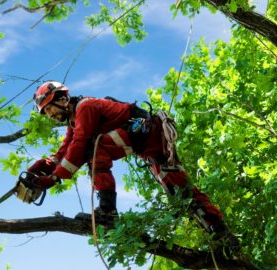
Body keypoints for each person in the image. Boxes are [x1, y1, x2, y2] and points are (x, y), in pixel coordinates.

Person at [16, 81, 237, 244]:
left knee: (93, 147)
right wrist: (43, 165)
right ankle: (222, 236)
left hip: (148, 133)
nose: (50, 115)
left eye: (49, 108)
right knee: (180, 192)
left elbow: (79, 145)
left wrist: (54, 178)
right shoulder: (73, 123)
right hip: (148, 147)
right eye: (45, 113)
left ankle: (107, 213)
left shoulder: (85, 107)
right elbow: (65, 150)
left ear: (62, 99)